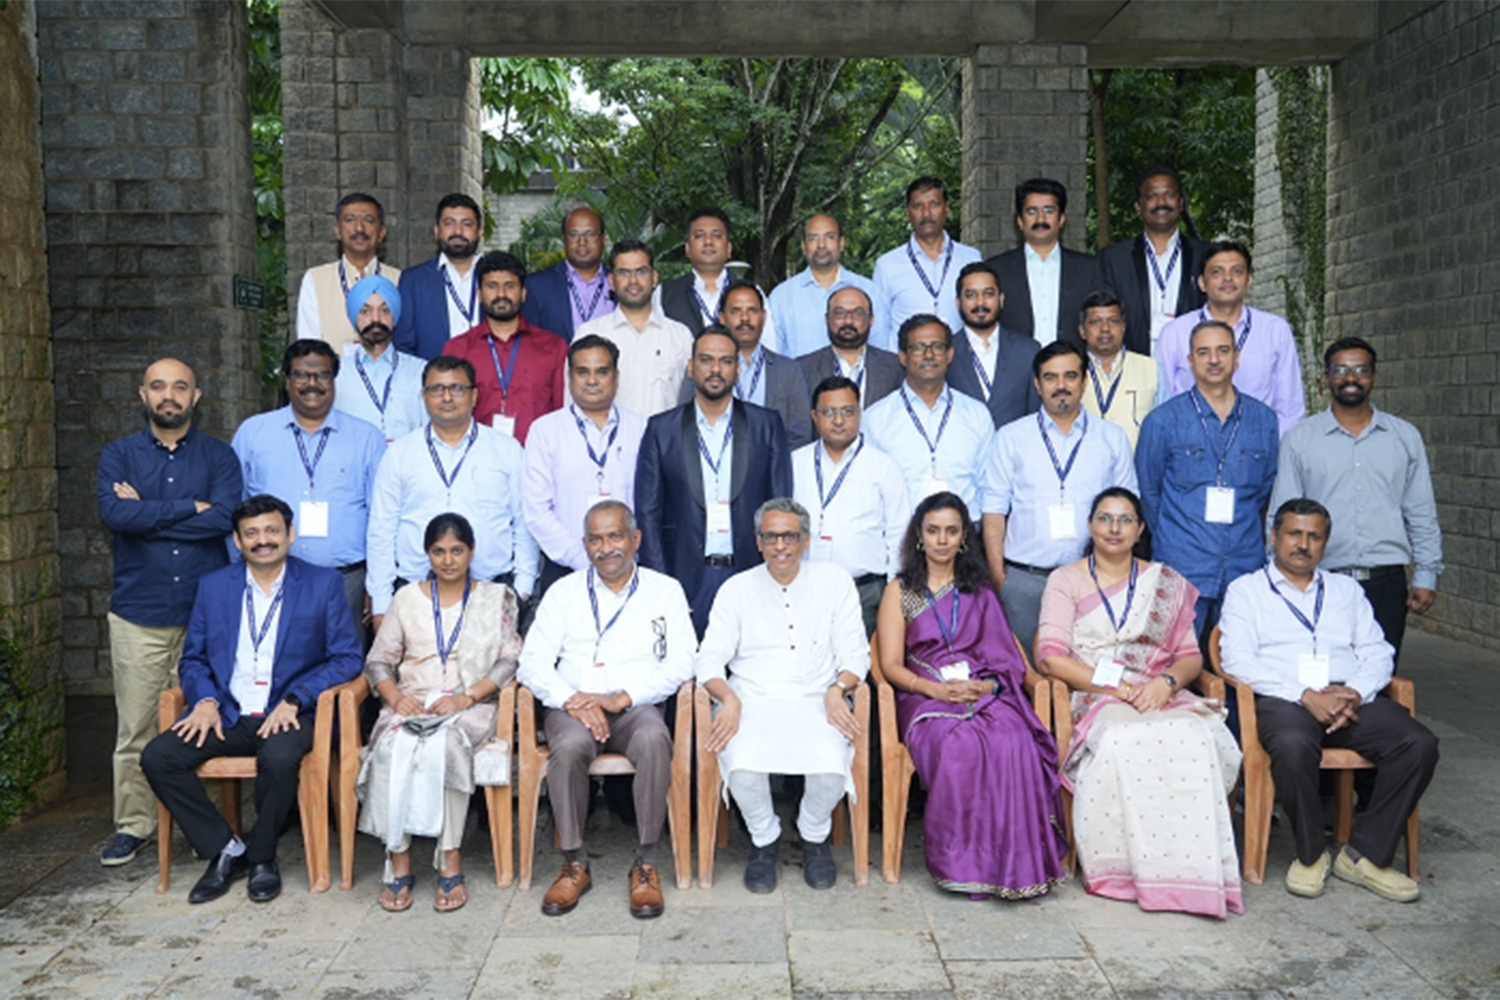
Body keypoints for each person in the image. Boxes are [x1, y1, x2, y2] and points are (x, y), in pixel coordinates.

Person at [141, 494, 363, 904]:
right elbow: (193, 659)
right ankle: (227, 849)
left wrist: (297, 698)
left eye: (272, 531)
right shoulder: (214, 586)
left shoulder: (322, 583)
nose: (263, 541)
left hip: (291, 712)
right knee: (159, 757)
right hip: (227, 711)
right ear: (237, 541)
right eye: (252, 534)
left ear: (289, 534)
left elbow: (348, 656)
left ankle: (262, 857)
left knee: (278, 760)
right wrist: (205, 700)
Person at [1036, 487, 1243, 918]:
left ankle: (1191, 869)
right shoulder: (1066, 580)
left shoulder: (1163, 581)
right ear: (1091, 525)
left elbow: (1190, 657)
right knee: (1122, 740)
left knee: (1194, 736)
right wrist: (1112, 688)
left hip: (1155, 690)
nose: (1115, 528)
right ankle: (1124, 869)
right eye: (1105, 518)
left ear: (1140, 528)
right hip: (1095, 693)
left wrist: (1166, 683)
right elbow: (1050, 656)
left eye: (1125, 519)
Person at [1220, 498, 1440, 902]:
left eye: (1314, 536)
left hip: (1347, 697)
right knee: (1290, 744)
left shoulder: (1347, 591)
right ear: (1274, 536)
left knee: (1418, 743)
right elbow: (1236, 659)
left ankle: (1363, 855)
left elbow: (1377, 650)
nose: (1303, 544)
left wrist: (1355, 692)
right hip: (1284, 697)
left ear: (1325, 542)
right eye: (1294, 533)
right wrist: (1304, 695)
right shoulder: (1246, 591)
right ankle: (1309, 855)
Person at [874, 492, 1069, 900]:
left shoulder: (979, 591)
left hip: (981, 688)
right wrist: (933, 689)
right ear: (919, 536)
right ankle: (963, 863)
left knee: (1014, 738)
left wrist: (988, 687)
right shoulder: (901, 591)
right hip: (923, 694)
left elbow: (1004, 658)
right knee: (960, 743)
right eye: (933, 531)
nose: (942, 540)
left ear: (964, 537)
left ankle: (1014, 863)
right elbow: (891, 664)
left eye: (951, 531)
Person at [517, 501, 697, 918]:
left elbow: (684, 660)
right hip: (573, 705)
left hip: (634, 704)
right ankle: (575, 861)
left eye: (616, 536)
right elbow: (533, 664)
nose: (606, 548)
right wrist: (571, 700)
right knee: (570, 748)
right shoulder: (564, 593)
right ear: (585, 545)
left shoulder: (664, 590)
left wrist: (624, 697)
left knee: (654, 737)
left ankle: (646, 861)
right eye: (596, 539)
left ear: (635, 539)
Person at [96, 358, 243, 867]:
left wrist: (149, 513)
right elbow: (116, 515)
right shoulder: (119, 456)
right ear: (143, 395)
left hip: (206, 615)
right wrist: (189, 508)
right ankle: (133, 826)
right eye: (159, 386)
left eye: (180, 387)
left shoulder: (220, 457)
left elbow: (226, 518)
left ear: (196, 397)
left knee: (207, 718)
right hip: (140, 613)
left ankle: (201, 821)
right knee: (136, 728)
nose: (169, 396)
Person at [697, 499, 869, 893]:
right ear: (758, 542)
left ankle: (813, 830)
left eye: (789, 536)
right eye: (771, 536)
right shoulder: (736, 589)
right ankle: (763, 838)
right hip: (752, 698)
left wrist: (837, 690)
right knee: (740, 758)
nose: (780, 546)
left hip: (817, 697)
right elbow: (708, 658)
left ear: (805, 540)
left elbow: (856, 655)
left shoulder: (834, 581)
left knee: (830, 760)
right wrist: (729, 697)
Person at [357, 512, 521, 913]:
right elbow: (378, 661)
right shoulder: (407, 598)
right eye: (439, 551)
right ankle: (398, 858)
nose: (448, 560)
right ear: (427, 554)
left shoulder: (494, 597)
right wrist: (396, 698)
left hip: (469, 706)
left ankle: (449, 857)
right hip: (411, 701)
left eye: (457, 550)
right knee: (394, 747)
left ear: (472, 551)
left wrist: (467, 697)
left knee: (444, 745)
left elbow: (510, 660)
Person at [1268, 336, 1442, 660]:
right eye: (1341, 370)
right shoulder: (1300, 440)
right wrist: (1279, 577)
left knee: (1380, 679)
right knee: (1321, 675)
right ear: (1326, 377)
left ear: (1374, 376)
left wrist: (1426, 574)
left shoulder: (1404, 438)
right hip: (1320, 580)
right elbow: (1282, 515)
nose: (1351, 378)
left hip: (1385, 584)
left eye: (1361, 370)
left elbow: (1420, 512)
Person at [982, 341, 1137, 656]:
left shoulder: (1112, 438)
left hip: (1093, 579)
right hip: (1025, 582)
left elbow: (1128, 511)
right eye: (1051, 378)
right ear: (1037, 385)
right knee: (1025, 677)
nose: (1061, 386)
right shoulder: (1011, 438)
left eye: (1070, 376)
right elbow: (994, 511)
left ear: (1085, 380)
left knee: (1088, 673)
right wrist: (1000, 577)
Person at [635, 326, 792, 637]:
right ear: (691, 367)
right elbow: (648, 514)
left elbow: (781, 507)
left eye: (725, 361)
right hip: (687, 577)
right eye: (706, 360)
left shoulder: (767, 425)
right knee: (684, 677)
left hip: (750, 571)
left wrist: (774, 576)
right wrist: (662, 587)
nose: (716, 369)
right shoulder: (661, 429)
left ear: (737, 369)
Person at [366, 356, 539, 625]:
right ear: (424, 396)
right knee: (418, 668)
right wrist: (381, 603)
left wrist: (523, 590)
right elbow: (382, 529)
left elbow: (524, 522)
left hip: (491, 592)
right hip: (415, 593)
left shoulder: (506, 450)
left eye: (457, 388)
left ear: (474, 396)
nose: (447, 397)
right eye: (437, 389)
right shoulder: (399, 453)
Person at [1136, 321, 1279, 640]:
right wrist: (1175, 539)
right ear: (1190, 361)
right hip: (1181, 565)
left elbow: (1265, 490)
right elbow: (1148, 490)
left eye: (1222, 351)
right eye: (1203, 352)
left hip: (1244, 565)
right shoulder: (1161, 421)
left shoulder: (1264, 420)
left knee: (1237, 666)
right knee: (1176, 664)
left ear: (1237, 357)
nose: (1214, 360)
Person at [231, 339, 386, 632]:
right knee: (273, 665)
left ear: (334, 381)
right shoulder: (253, 433)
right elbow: (234, 508)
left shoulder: (366, 438)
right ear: (287, 381)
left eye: (323, 375)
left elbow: (381, 518)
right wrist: (237, 573)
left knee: (344, 668)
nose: (312, 383)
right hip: (269, 575)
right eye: (301, 374)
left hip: (346, 580)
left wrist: (377, 585)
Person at [522, 335, 647, 594]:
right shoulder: (545, 430)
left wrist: (620, 557)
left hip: (631, 570)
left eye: (601, 372)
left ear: (616, 376)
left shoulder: (642, 428)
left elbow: (650, 505)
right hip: (566, 570)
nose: (592, 381)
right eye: (583, 372)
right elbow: (536, 510)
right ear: (569, 377)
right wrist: (582, 557)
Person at [792, 376, 909, 635]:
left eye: (847, 411)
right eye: (829, 412)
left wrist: (892, 594)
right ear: (814, 416)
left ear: (860, 413)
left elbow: (898, 534)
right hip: (806, 588)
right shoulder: (794, 463)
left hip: (866, 592)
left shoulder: (884, 467)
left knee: (864, 670)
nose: (838, 420)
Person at [1155, 241, 1305, 436]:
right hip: (1191, 449)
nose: (1227, 279)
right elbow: (1161, 400)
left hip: (1257, 449)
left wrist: (1275, 452)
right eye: (1217, 272)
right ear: (1202, 283)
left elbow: (1290, 407)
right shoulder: (1175, 333)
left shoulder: (1275, 330)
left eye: (1237, 271)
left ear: (1249, 280)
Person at [863, 315, 994, 522]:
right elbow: (869, 488)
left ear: (950, 354)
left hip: (966, 536)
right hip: (901, 536)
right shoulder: (876, 417)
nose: (928, 354)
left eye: (937, 346)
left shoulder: (977, 414)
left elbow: (990, 487)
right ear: (903, 357)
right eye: (918, 348)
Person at [441, 250, 567, 444]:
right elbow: (449, 413)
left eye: (510, 286)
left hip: (538, 459)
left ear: (523, 293)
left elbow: (563, 412)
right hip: (476, 461)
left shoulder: (553, 347)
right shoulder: (458, 349)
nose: (501, 294)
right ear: (479, 294)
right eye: (492, 286)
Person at [1097, 167, 1210, 355]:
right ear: (1138, 207)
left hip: (1192, 370)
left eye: (1169, 195)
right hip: (1132, 368)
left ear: (1181, 203)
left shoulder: (1205, 255)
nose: (1161, 203)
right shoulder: (1114, 259)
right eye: (1152, 197)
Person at [579, 240, 692, 417]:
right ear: (611, 281)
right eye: (624, 273)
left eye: (641, 271)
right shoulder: (589, 334)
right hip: (606, 443)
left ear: (654, 278)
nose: (633, 281)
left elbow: (692, 401)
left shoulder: (680, 336)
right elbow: (574, 403)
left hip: (665, 443)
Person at [871, 177, 982, 350]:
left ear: (947, 209)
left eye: (934, 204)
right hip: (905, 370)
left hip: (959, 365)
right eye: (918, 206)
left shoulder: (970, 258)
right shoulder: (887, 266)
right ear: (908, 213)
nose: (926, 213)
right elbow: (878, 328)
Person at [986, 178, 1099, 347]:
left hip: (1072, 369)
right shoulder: (996, 270)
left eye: (1049, 210)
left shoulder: (1089, 269)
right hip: (1016, 370)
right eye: (1031, 211)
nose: (1040, 218)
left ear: (1061, 219)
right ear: (1019, 221)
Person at [705, 282, 811, 447]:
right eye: (736, 311)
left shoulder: (788, 370)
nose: (745, 318)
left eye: (752, 310)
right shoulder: (704, 368)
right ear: (722, 318)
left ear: (763, 316)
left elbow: (800, 435)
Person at [658, 206, 779, 350]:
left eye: (717, 235)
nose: (708, 241)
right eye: (699, 235)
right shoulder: (664, 294)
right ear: (687, 249)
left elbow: (769, 347)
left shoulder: (751, 293)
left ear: (728, 248)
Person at [295, 192, 401, 351]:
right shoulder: (316, 280)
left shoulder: (400, 280)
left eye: (369, 220)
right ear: (337, 230)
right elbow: (309, 347)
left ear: (381, 233)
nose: (359, 228)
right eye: (350, 220)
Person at [945, 262, 1042, 428]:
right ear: (958, 302)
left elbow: (1036, 414)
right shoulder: (945, 352)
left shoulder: (1029, 351)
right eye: (971, 295)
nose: (980, 303)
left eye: (988, 294)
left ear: (1001, 299)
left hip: (1015, 451)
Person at [767, 213, 876, 360]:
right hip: (798, 382)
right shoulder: (781, 297)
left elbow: (880, 350)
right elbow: (772, 357)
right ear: (804, 246)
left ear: (841, 243)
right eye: (813, 238)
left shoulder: (869, 291)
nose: (821, 245)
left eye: (829, 237)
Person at [334, 275, 427, 443]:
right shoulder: (336, 374)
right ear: (354, 317)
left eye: (384, 311)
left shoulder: (420, 371)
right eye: (365, 311)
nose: (375, 319)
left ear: (394, 317)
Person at [393, 193, 484, 360]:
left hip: (489, 382)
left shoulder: (496, 278)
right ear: (437, 230)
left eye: (467, 224)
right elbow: (403, 346)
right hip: (434, 382)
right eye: (449, 223)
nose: (458, 231)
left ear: (479, 232)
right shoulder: (413, 281)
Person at [794, 286, 903, 409]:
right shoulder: (801, 369)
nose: (848, 321)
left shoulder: (896, 367)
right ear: (827, 319)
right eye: (840, 313)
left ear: (871, 319)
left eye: (858, 313)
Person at [521, 206, 615, 340]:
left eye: (590, 234)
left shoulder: (620, 283)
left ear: (603, 238)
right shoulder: (536, 286)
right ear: (564, 239)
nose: (582, 242)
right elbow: (529, 343)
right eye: (574, 234)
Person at [1077, 290, 1156, 448]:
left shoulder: (1152, 368)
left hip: (1136, 469)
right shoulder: (1070, 372)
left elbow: (1165, 427)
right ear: (1082, 331)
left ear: (1123, 327)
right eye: (1095, 322)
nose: (1105, 328)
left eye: (1113, 321)